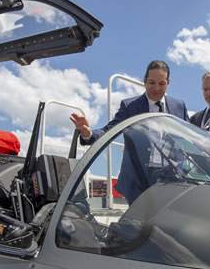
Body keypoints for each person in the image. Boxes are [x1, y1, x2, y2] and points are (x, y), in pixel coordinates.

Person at [70, 60, 189, 203]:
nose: (157, 88)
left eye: (162, 83)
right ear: (145, 81)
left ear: (168, 83)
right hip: (139, 180)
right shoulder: (130, 106)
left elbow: (187, 138)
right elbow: (109, 131)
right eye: (152, 83)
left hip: (172, 178)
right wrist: (88, 134)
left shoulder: (179, 106)